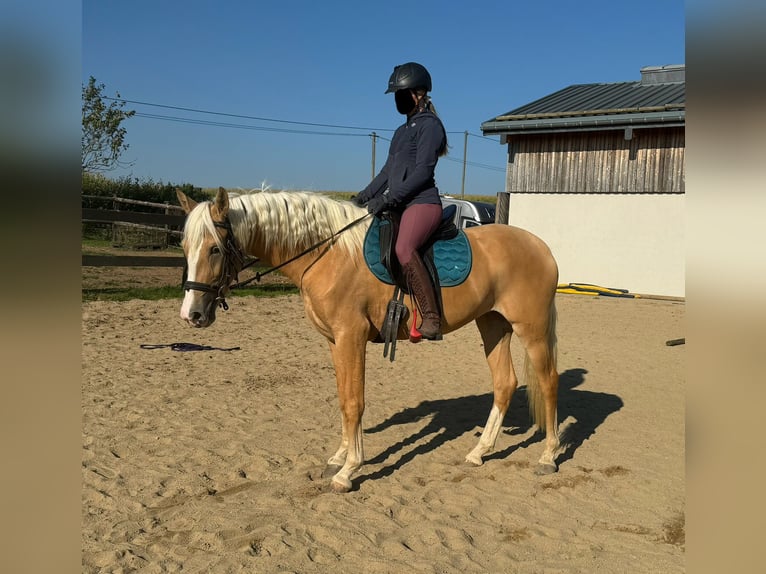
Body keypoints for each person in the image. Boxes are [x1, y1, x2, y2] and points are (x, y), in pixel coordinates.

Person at [354, 62, 448, 340]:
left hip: (422, 203)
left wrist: (388, 198)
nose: (398, 98)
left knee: (404, 247)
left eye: (402, 92)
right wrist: (363, 197)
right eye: (395, 93)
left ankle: (431, 316)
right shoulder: (401, 131)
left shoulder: (431, 127)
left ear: (419, 93)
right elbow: (387, 172)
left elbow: (422, 172)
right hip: (400, 204)